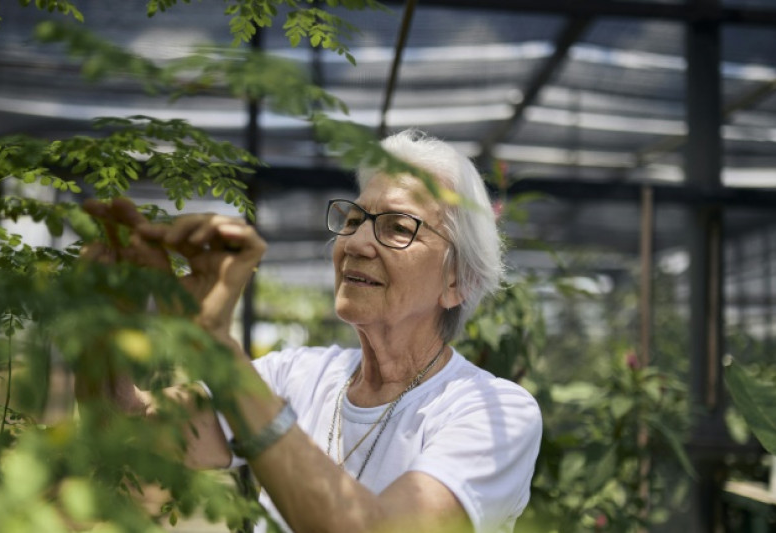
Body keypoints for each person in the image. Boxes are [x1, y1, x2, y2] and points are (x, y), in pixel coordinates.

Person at [80, 129, 542, 533]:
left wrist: (214, 349)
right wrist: (101, 330)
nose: (356, 243)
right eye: (355, 219)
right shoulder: (297, 375)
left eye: (399, 227)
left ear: (457, 280)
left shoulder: (494, 413)